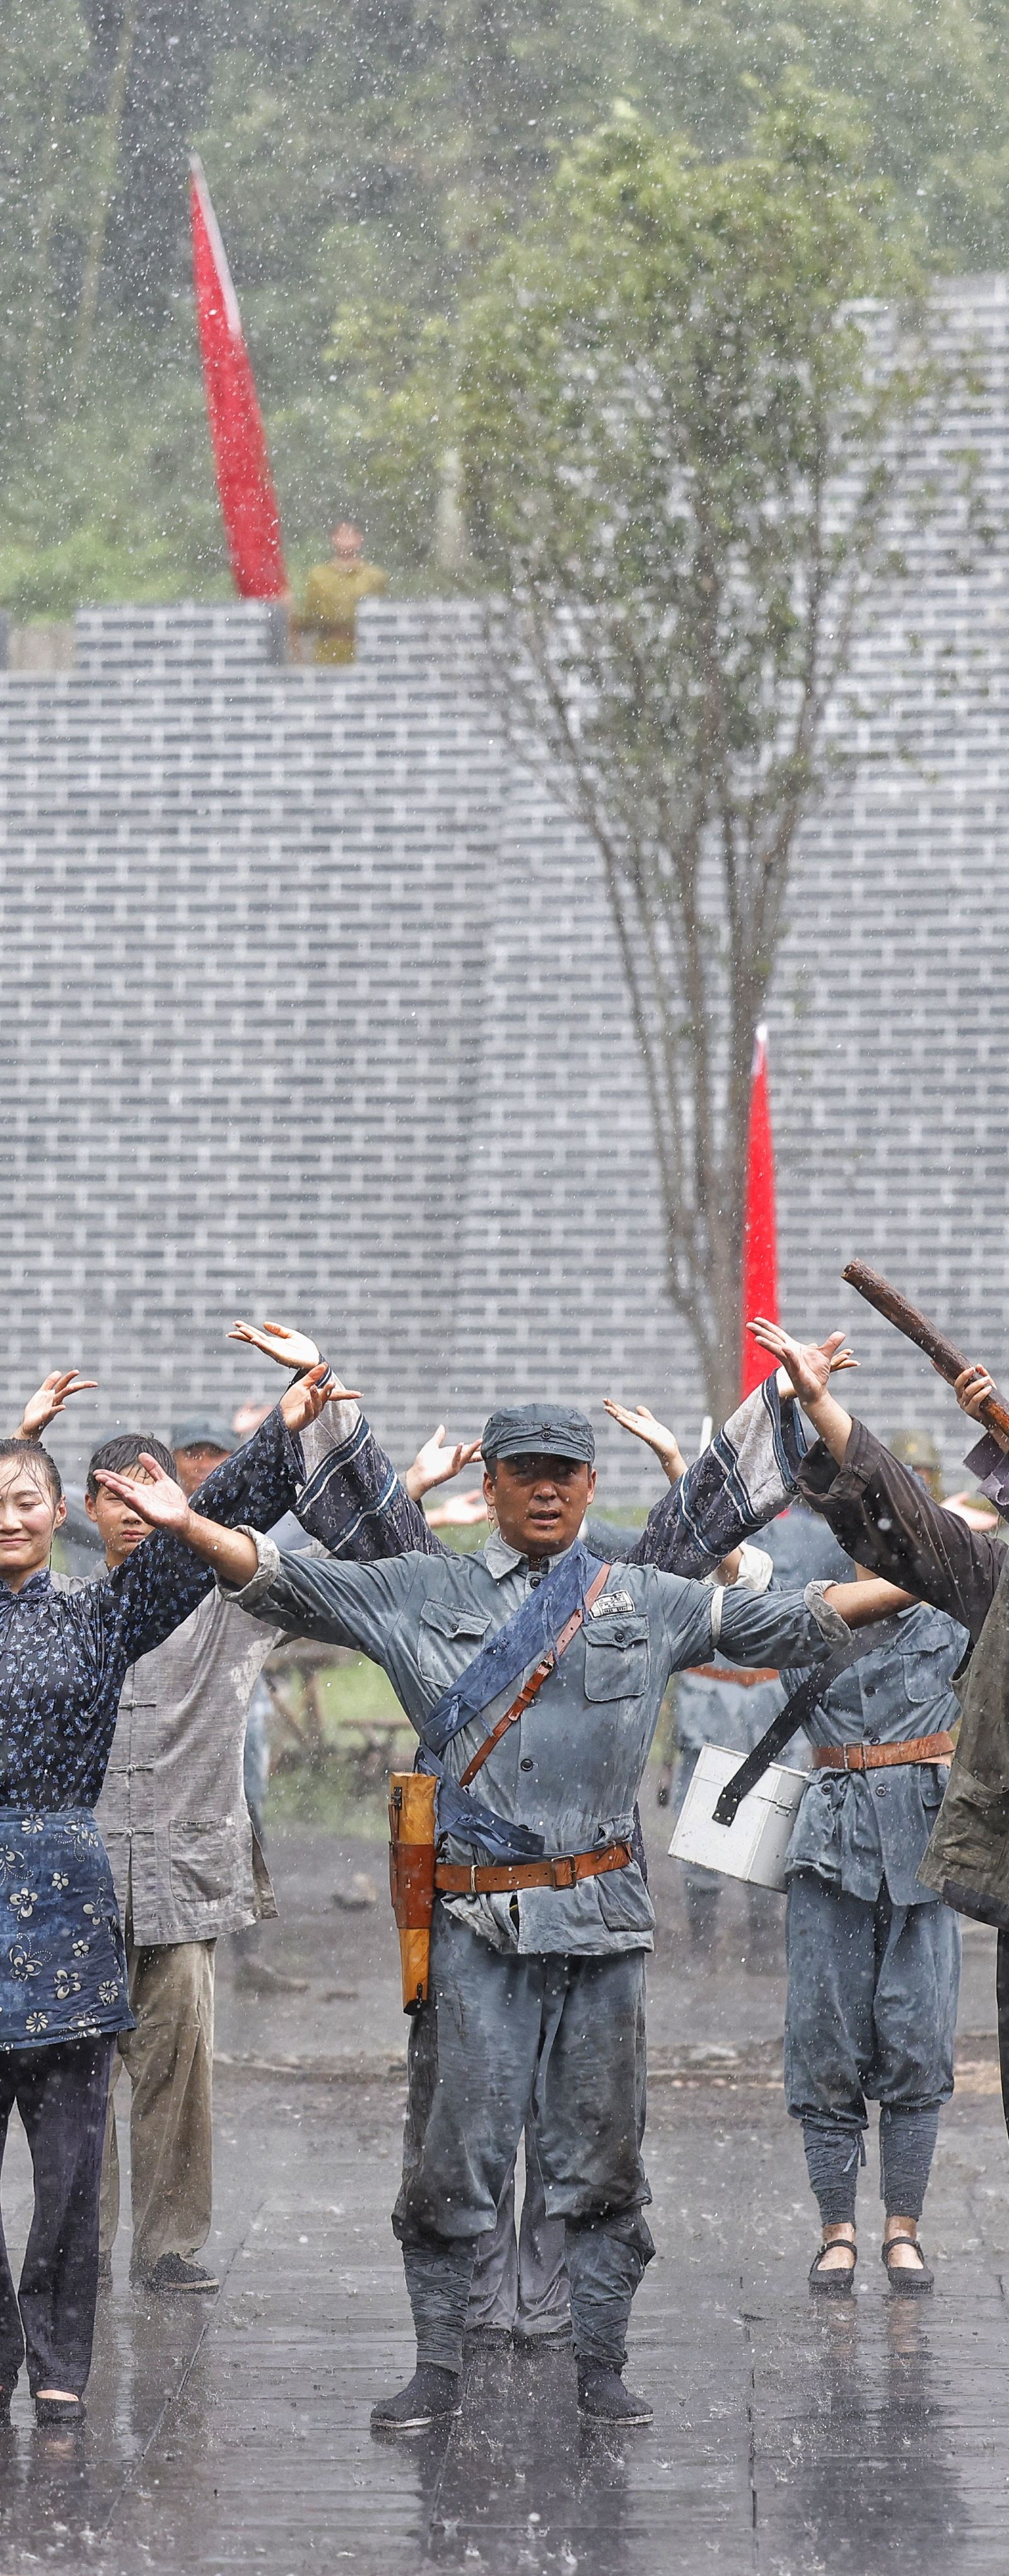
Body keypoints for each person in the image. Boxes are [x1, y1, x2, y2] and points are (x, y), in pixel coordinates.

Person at [98, 1385, 909, 2431]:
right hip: (474, 1929)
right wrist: (190, 1524)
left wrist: (918, 1577)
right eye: (523, 1469)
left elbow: (789, 1622)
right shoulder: (420, 1590)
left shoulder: (641, 1595)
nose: (543, 1487)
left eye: (562, 1471)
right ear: (488, 1486)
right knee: (452, 2156)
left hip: (603, 1929)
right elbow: (285, 1579)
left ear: (587, 1485)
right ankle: (438, 2366)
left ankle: (600, 2363)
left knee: (604, 2154)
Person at [0, 1362, 337, 2423]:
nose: (9, 1515)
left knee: (68, 2168)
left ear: (62, 1513)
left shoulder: (100, 1618)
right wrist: (20, 1435)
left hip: (67, 1899)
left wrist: (279, 1433)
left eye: (26, 1497)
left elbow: (198, 1556)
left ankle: (61, 2357)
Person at [293, 522, 387, 665]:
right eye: (341, 535)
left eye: (350, 534)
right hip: (328, 650)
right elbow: (310, 616)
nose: (346, 540)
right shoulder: (318, 576)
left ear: (360, 538)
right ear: (333, 538)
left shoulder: (375, 576)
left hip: (365, 649)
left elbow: (383, 615)